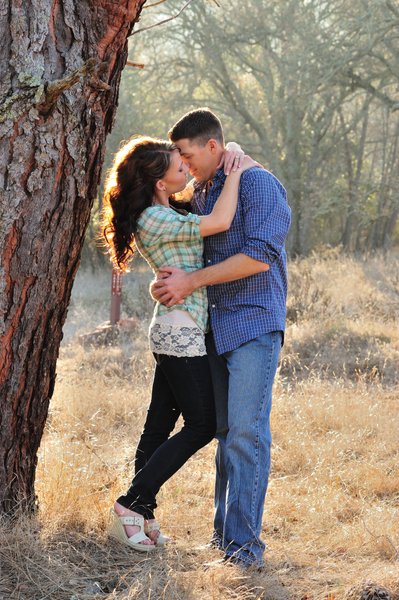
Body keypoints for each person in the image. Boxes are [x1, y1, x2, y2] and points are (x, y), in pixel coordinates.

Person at [101, 135, 257, 552]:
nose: (187, 169)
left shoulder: (168, 209)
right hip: (181, 330)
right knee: (203, 424)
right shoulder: (155, 218)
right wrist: (237, 172)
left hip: (179, 326)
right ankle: (130, 504)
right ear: (158, 182)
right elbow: (222, 221)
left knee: (158, 426)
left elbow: (202, 200)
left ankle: (141, 515)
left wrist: (231, 147)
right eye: (179, 167)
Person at [151, 108, 291, 569]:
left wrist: (192, 281)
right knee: (226, 433)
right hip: (216, 324)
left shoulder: (259, 185)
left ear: (213, 146)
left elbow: (260, 257)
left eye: (189, 157)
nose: (185, 168)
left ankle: (245, 550)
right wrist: (170, 279)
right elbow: (185, 236)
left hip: (253, 322)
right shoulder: (208, 187)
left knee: (247, 434)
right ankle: (223, 541)